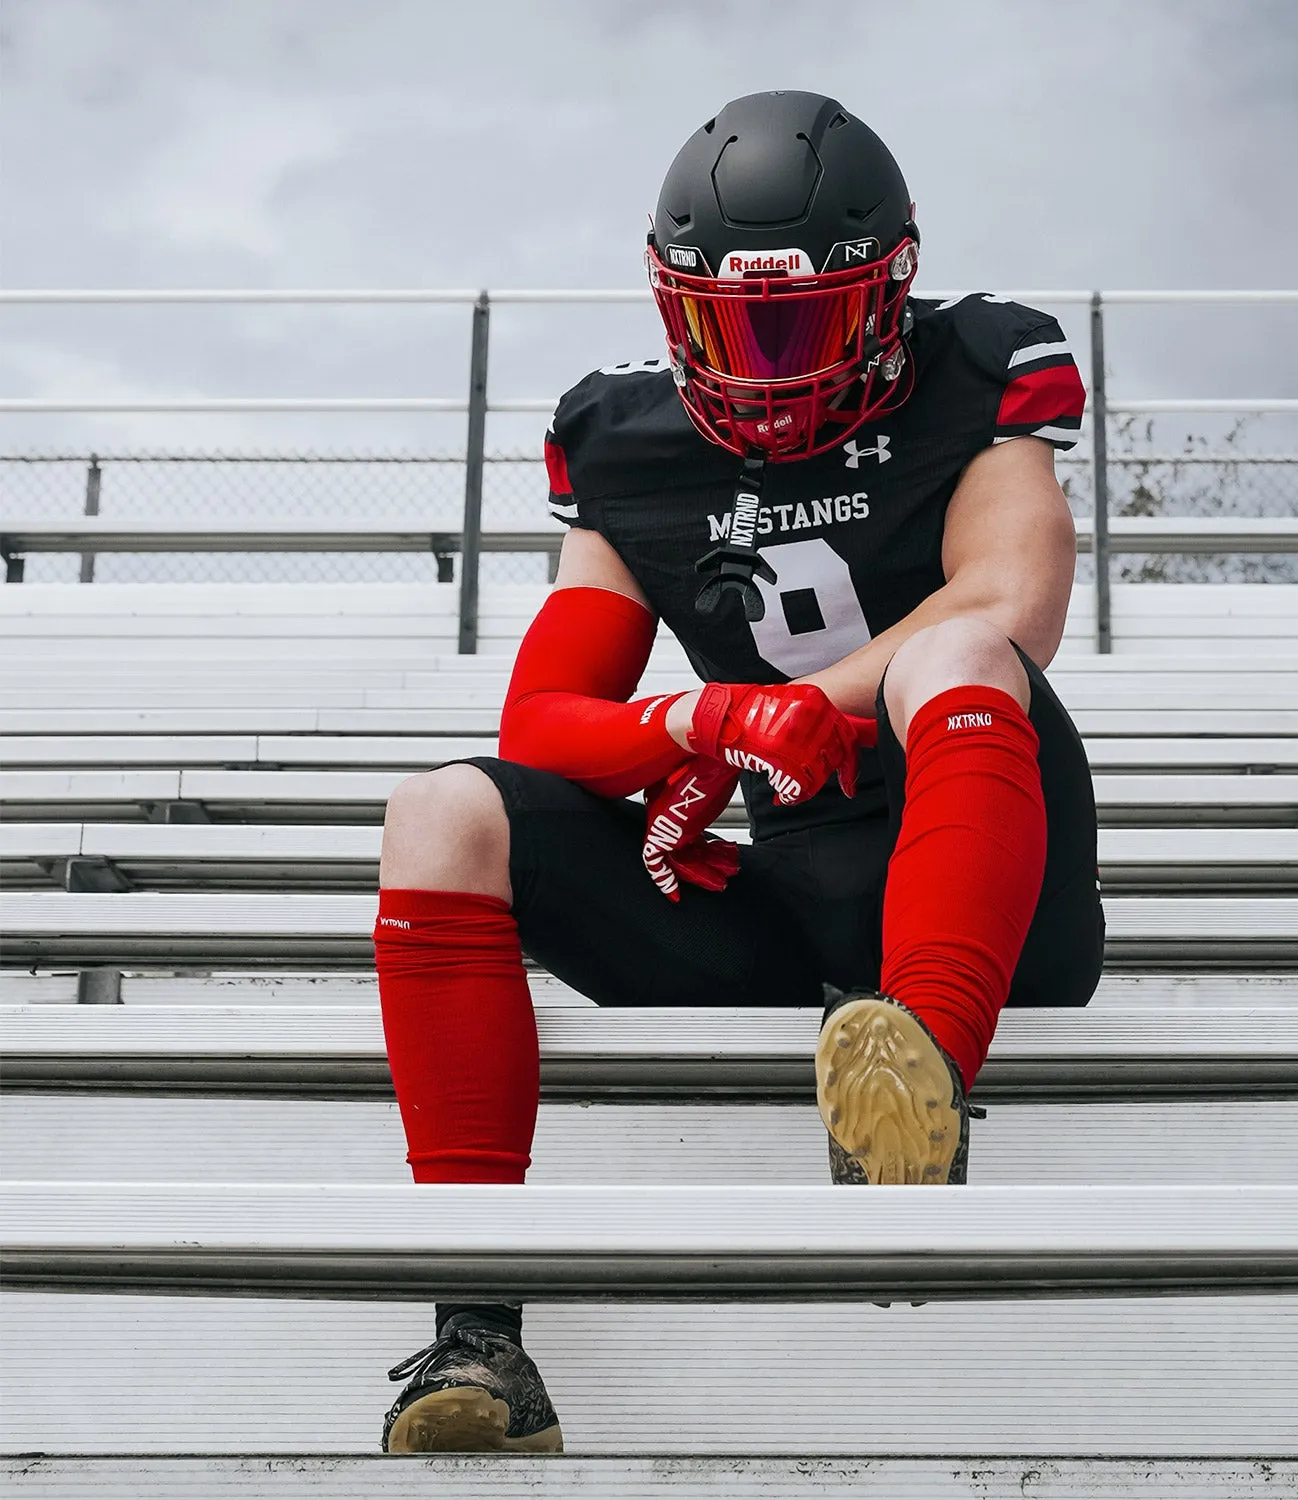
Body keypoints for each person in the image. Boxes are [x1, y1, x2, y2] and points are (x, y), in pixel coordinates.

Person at [373, 89, 1103, 1454]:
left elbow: (1010, 596)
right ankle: (478, 1335)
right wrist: (711, 732)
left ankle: (918, 1085)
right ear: (669, 306)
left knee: (955, 660)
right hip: (794, 890)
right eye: (731, 325)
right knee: (441, 810)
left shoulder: (982, 371)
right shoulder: (627, 445)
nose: (767, 363)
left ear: (890, 295)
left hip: (991, 887)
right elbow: (542, 719)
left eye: (806, 321)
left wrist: (776, 710)